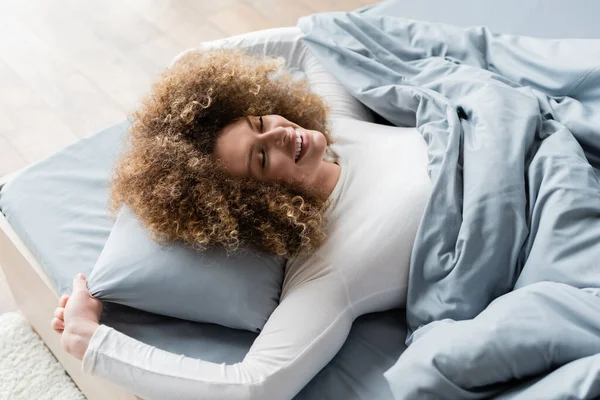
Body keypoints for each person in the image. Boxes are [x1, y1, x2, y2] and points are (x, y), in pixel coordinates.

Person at [50, 46, 432, 399]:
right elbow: (254, 386)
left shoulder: (342, 129)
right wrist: (89, 341)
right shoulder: (332, 270)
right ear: (256, 203)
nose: (281, 133)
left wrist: (187, 59)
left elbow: (314, 42)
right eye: (261, 158)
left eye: (261, 121)